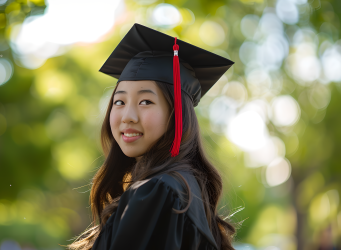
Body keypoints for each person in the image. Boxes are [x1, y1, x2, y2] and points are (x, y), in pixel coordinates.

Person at [67, 23, 237, 250]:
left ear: (177, 115)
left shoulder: (158, 191)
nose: (128, 116)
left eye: (145, 101)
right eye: (120, 101)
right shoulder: (185, 190)